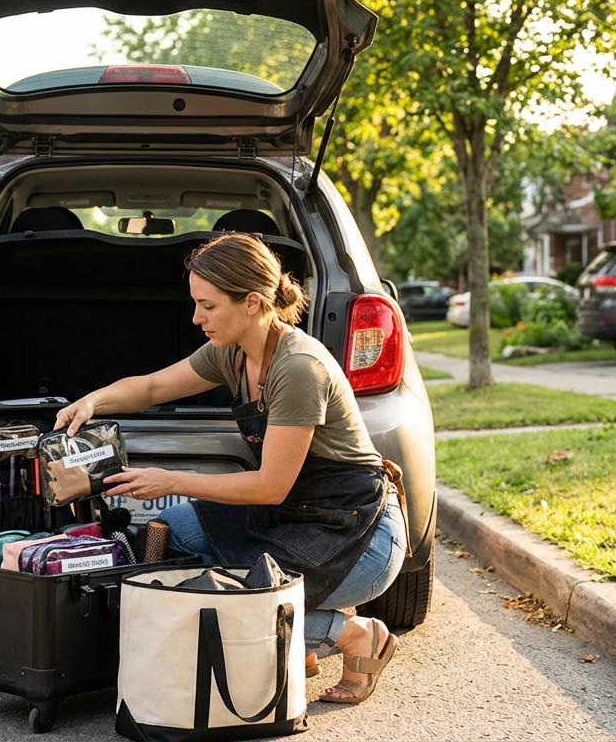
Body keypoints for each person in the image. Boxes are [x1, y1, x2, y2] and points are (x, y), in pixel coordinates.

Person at [54, 233, 408, 704]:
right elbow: (154, 387)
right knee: (164, 532)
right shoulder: (234, 351)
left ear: (252, 303)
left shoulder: (298, 368)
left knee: (220, 605)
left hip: (357, 531)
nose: (196, 318)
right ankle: (295, 634)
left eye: (208, 306)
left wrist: (170, 480)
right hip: (293, 514)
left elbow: (270, 486)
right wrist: (92, 402)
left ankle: (356, 635)